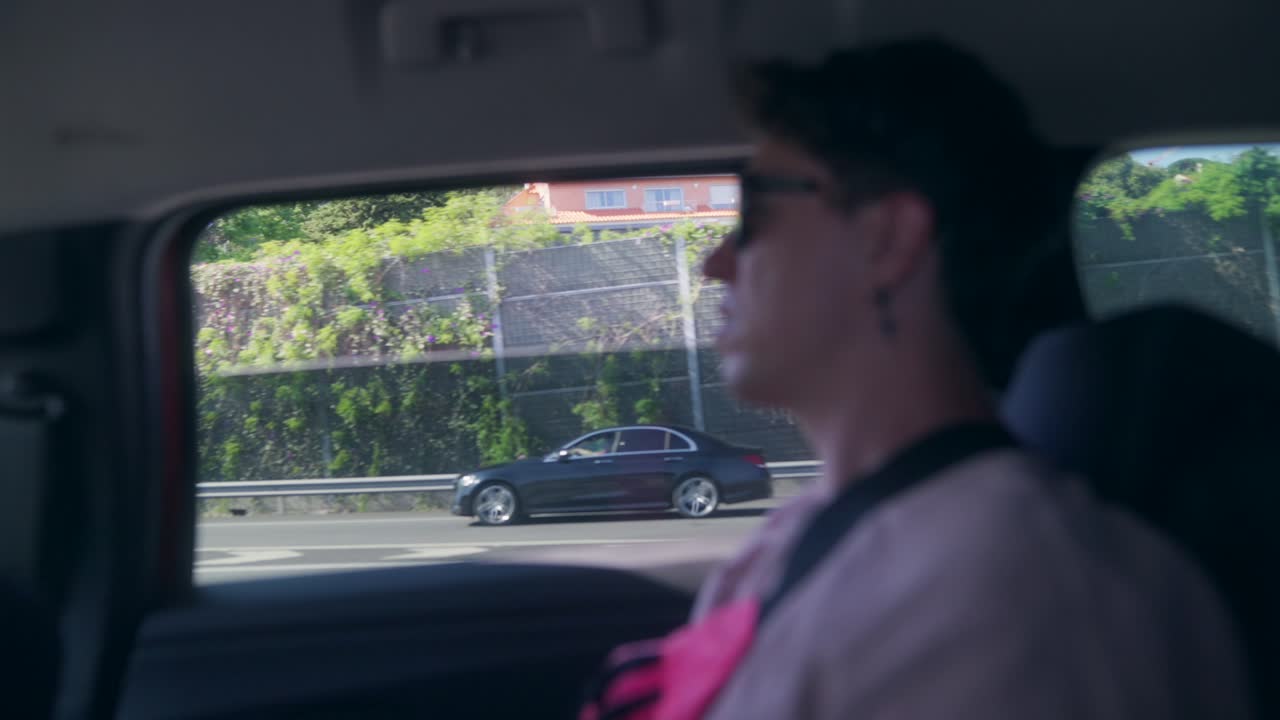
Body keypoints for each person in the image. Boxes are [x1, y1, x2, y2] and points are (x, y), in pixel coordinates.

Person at [581, 38, 1253, 720]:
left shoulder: (1007, 595)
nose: (716, 263)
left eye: (754, 214)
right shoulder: (811, 530)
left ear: (889, 238)